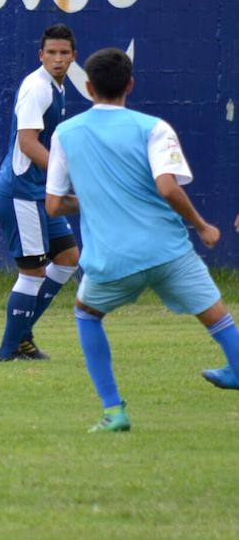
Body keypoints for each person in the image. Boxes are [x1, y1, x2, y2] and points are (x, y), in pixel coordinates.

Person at [45, 47, 239, 432]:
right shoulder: (154, 128)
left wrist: (94, 199)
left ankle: (114, 411)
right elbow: (167, 188)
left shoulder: (65, 133)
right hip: (167, 252)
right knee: (218, 317)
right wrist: (201, 225)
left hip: (111, 261)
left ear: (87, 86)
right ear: (130, 84)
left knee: (87, 315)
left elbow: (53, 205)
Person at [0, 24, 81, 361]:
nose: (57, 59)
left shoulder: (58, 87)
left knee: (68, 258)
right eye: (51, 53)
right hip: (20, 194)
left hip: (36, 193)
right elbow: (27, 143)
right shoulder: (37, 87)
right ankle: (8, 350)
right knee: (32, 272)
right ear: (40, 55)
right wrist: (65, 175)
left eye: (64, 53)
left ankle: (22, 333)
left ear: (74, 56)